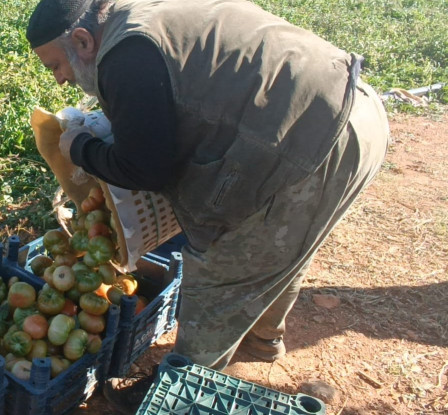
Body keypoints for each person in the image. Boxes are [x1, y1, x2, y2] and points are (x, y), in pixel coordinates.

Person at [26, 0, 390, 412]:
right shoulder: (137, 16)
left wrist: (82, 149)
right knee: (281, 242)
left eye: (56, 66)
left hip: (314, 143)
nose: (60, 80)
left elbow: (146, 169)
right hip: (352, 110)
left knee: (220, 269)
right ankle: (260, 340)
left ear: (82, 40)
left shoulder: (125, 57)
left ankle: (182, 392)